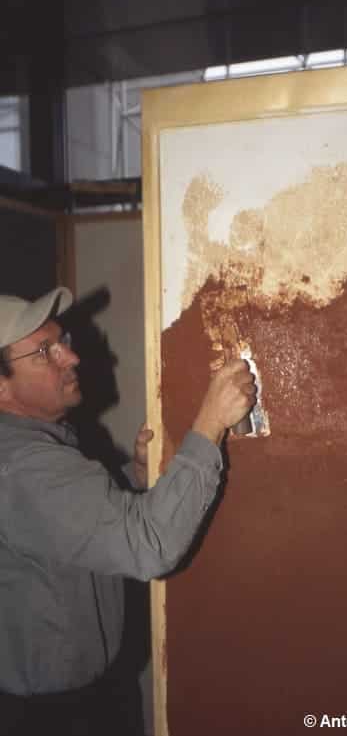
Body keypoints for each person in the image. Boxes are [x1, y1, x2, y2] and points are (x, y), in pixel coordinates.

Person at [0, 287, 256, 736]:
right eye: (46, 352)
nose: (71, 359)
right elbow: (150, 547)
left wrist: (132, 477)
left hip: (86, 698)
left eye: (64, 342)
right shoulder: (24, 466)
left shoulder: (35, 443)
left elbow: (64, 525)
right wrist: (209, 425)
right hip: (50, 719)